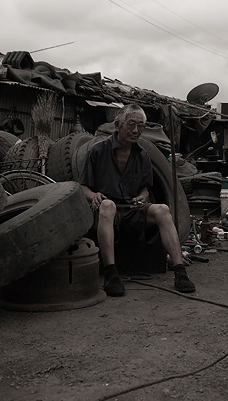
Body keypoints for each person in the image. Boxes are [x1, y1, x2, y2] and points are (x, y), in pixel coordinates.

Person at [79, 103, 195, 296]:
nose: (136, 130)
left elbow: (145, 188)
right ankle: (111, 274)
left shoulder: (142, 155)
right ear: (118, 125)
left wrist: (142, 197)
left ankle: (180, 272)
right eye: (131, 124)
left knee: (163, 210)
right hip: (107, 211)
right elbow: (82, 186)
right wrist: (94, 195)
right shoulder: (97, 151)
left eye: (140, 126)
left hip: (132, 209)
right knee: (107, 205)